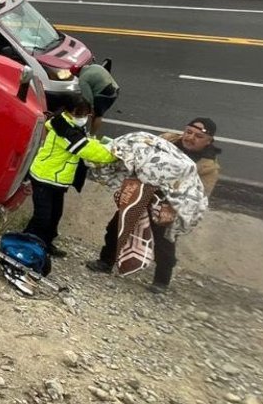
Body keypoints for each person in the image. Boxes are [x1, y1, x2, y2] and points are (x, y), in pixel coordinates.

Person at [87, 118, 221, 293]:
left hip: (167, 205)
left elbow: (199, 196)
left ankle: (161, 281)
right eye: (188, 132)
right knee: (117, 226)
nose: (190, 138)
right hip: (141, 193)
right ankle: (105, 262)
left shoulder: (208, 167)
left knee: (164, 242)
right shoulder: (166, 140)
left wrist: (172, 204)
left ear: (209, 141)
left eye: (198, 136)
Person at [23, 97, 118, 258]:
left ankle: (45, 244)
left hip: (57, 180)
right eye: (81, 114)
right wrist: (114, 154)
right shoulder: (63, 129)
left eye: (86, 115)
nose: (84, 118)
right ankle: (26, 244)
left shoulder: (70, 125)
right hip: (44, 177)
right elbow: (85, 148)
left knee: (54, 216)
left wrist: (106, 146)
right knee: (42, 217)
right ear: (70, 112)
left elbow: (87, 142)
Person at [78, 63, 120, 136]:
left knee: (97, 115)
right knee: (96, 114)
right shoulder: (96, 66)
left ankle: (92, 135)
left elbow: (88, 97)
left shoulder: (82, 79)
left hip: (105, 95)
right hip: (115, 90)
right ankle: (91, 132)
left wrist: (91, 109)